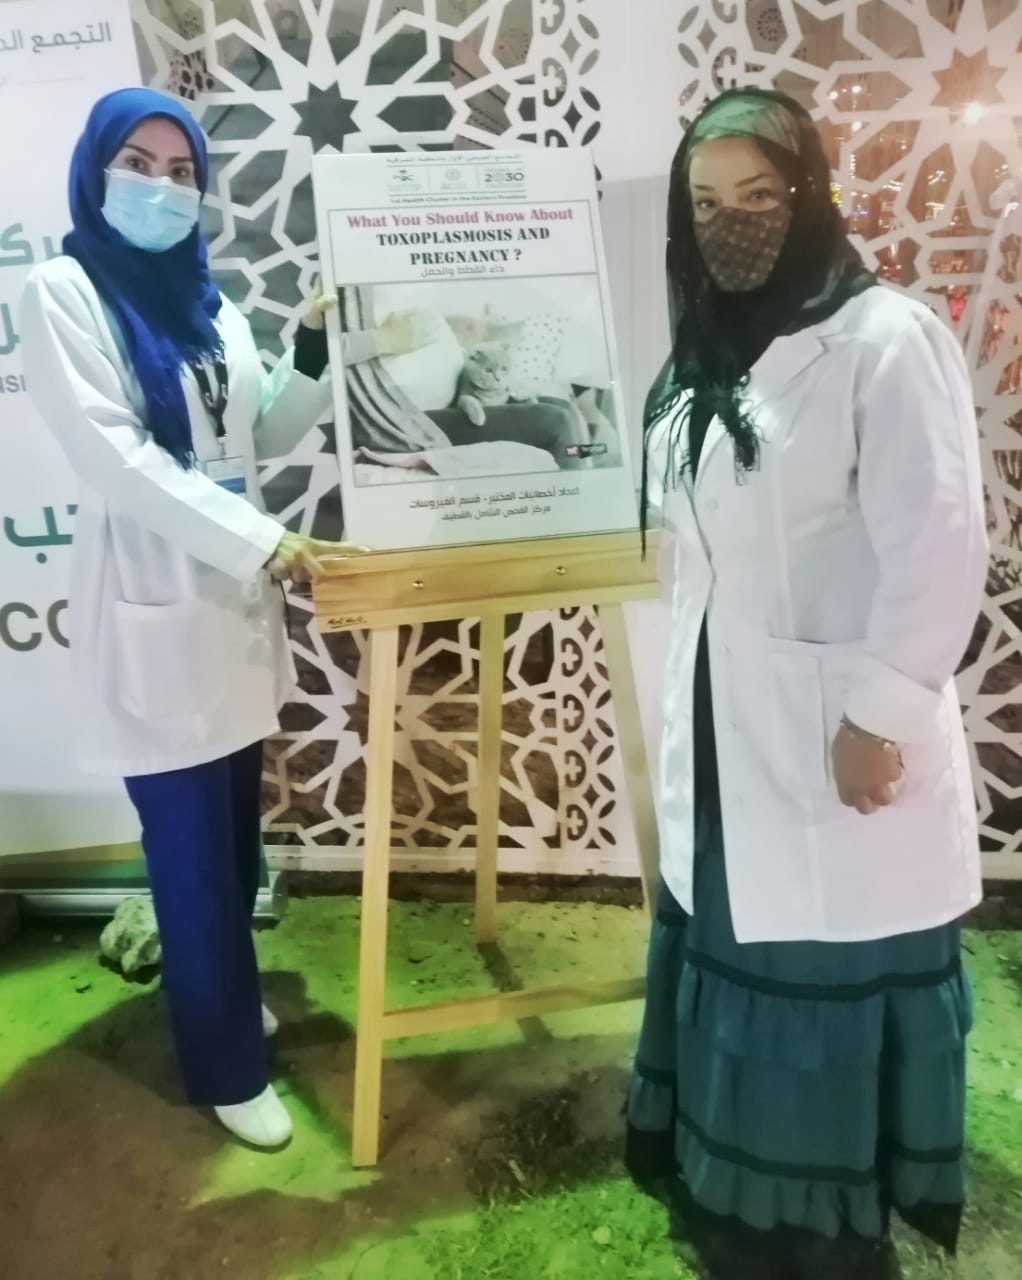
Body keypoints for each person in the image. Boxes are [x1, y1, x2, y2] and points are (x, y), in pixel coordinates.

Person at [626, 88, 988, 1279]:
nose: (728, 223)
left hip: (837, 737)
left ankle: (814, 1224)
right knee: (731, 934)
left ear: (810, 195)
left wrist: (879, 716)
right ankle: (727, 1180)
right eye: (704, 202)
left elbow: (939, 545)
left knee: (816, 965)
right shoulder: (708, 349)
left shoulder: (881, 339)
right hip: (724, 720)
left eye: (757, 195)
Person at [19, 87, 365, 1149]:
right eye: (138, 162)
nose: (162, 188)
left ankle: (226, 997)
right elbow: (116, 458)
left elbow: (260, 429)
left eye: (182, 172)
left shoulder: (210, 306)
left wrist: (313, 345)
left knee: (231, 842)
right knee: (186, 855)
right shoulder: (62, 291)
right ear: (96, 171)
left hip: (227, 607)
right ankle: (222, 1064)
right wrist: (265, 541)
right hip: (156, 599)